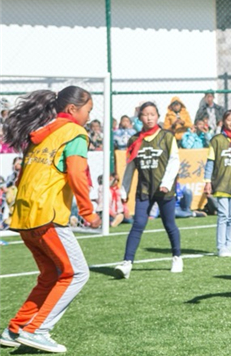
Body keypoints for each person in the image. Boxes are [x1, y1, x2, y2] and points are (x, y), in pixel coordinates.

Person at [0, 86, 101, 353]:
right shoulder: (75, 133)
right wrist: (89, 212)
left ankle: (15, 329)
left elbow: (24, 176)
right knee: (76, 273)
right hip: (48, 215)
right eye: (88, 111)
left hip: (24, 215)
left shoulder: (40, 134)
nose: (89, 117)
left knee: (50, 274)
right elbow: (77, 174)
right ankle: (38, 330)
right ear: (72, 110)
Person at [115, 102, 182, 279]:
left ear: (158, 116)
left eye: (152, 114)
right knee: (138, 225)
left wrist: (167, 182)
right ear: (140, 118)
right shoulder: (134, 140)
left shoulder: (167, 137)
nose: (149, 117)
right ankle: (127, 263)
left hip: (164, 190)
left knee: (169, 224)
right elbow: (129, 168)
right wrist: (124, 191)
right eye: (146, 114)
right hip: (144, 189)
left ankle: (177, 257)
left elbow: (174, 161)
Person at [204, 110, 231, 257]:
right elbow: (210, 163)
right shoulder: (216, 140)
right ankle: (221, 246)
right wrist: (207, 181)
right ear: (223, 121)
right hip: (221, 182)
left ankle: (229, 246)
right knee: (223, 215)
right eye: (229, 120)